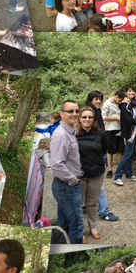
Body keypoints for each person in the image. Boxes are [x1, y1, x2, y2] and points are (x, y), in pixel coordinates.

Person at [50, 100, 85, 244]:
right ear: (62, 114)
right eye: (70, 111)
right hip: (67, 186)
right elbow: (57, 164)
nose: (75, 114)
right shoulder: (61, 135)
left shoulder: (70, 131)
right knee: (76, 224)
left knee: (63, 223)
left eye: (77, 111)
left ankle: (58, 245)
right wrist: (73, 180)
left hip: (66, 186)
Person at [85, 90, 120, 223]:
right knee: (97, 184)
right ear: (90, 100)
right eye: (96, 99)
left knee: (90, 182)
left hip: (95, 151)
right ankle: (104, 211)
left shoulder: (96, 110)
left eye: (100, 99)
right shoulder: (90, 111)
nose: (98, 101)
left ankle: (84, 206)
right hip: (91, 154)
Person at [77, 106, 107, 240]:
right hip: (79, 174)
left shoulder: (100, 134)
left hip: (96, 173)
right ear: (79, 118)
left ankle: (92, 226)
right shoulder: (74, 134)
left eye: (90, 117)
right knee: (78, 203)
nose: (87, 119)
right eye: (84, 117)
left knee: (93, 203)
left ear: (94, 119)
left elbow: (105, 150)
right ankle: (80, 230)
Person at [114, 88, 136, 185]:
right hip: (130, 132)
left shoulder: (132, 104)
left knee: (130, 154)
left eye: (133, 91)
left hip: (135, 131)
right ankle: (117, 176)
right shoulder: (124, 105)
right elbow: (129, 120)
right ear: (125, 93)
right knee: (127, 154)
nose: (132, 92)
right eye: (129, 91)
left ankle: (129, 174)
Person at [102, 90, 126, 178]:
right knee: (110, 151)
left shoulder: (119, 104)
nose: (120, 101)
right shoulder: (107, 104)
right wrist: (115, 118)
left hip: (119, 129)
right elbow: (104, 117)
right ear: (116, 96)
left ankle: (119, 168)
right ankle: (110, 169)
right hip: (110, 129)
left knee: (120, 150)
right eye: (120, 99)